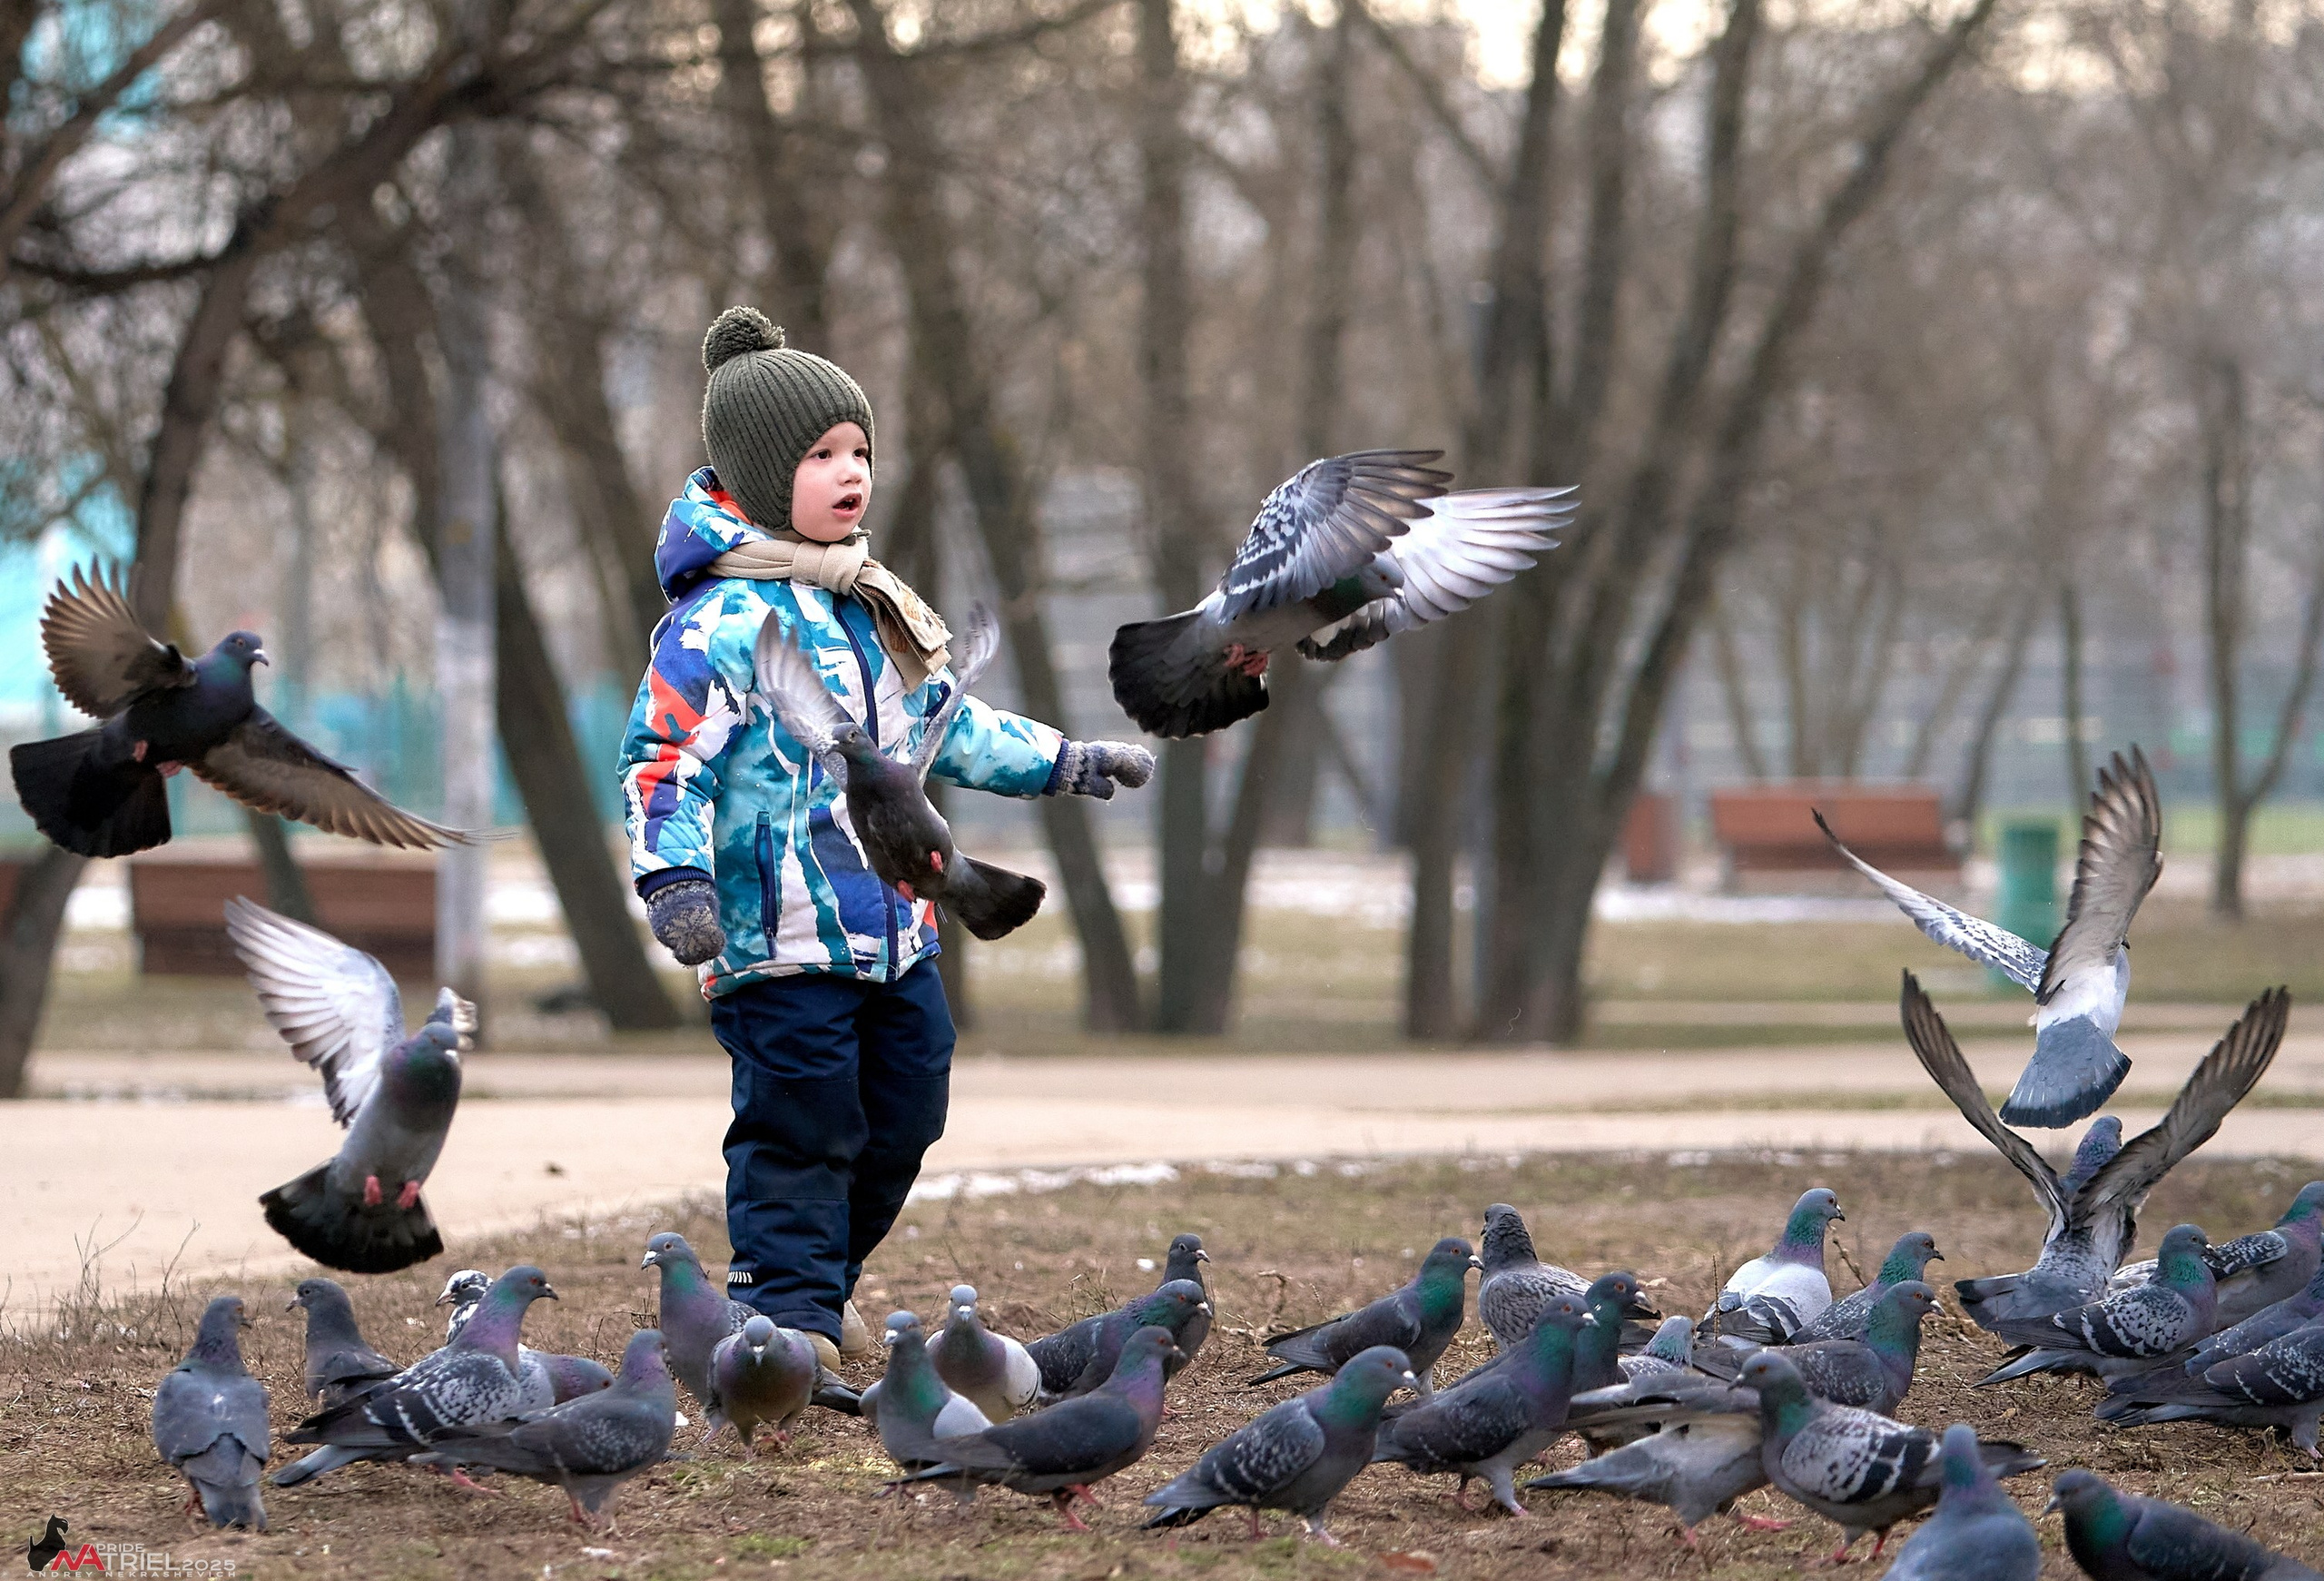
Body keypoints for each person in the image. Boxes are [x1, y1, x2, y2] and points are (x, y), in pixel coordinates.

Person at [618, 307, 1153, 1367]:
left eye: (859, 450)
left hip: (896, 927)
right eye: (821, 455)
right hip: (777, 942)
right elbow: (661, 759)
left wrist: (1062, 760)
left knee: (908, 1110)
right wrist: (674, 877)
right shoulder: (717, 626)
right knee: (803, 1126)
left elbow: (949, 724)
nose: (850, 471)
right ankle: (787, 1317)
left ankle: (809, 1287)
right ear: (764, 476)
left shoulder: (871, 606)